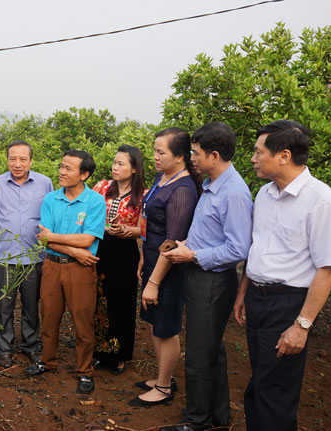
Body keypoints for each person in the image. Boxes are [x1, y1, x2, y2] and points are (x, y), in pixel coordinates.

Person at [233, 120, 331, 431]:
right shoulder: (265, 194)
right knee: (260, 382)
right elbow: (257, 248)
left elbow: (327, 269)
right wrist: (243, 293)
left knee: (276, 392)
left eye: (258, 152)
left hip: (288, 304)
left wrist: (302, 325)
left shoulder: (323, 201)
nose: (253, 159)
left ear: (283, 155)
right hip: (257, 299)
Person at [160, 123, 252, 431]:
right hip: (200, 274)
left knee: (200, 353)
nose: (192, 159)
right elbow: (210, 234)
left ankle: (196, 419)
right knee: (212, 350)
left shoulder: (233, 192)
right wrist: (185, 245)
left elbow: (238, 248)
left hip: (211, 281)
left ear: (214, 155)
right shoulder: (213, 184)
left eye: (196, 153)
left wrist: (193, 255)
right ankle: (218, 417)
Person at [25, 149, 106, 395]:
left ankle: (84, 371)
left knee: (82, 321)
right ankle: (47, 361)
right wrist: (74, 250)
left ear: (84, 174)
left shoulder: (95, 201)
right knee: (49, 315)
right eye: (61, 166)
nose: (61, 171)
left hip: (81, 270)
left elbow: (87, 239)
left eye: (68, 168)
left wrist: (56, 239)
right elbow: (43, 239)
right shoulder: (51, 199)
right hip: (52, 266)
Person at [129, 128, 200, 407]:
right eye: (154, 151)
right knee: (154, 322)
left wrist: (154, 282)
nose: (155, 157)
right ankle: (163, 376)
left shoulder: (182, 190)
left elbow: (172, 243)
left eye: (161, 152)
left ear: (180, 156)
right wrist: (144, 257)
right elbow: (151, 225)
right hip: (152, 260)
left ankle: (163, 387)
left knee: (166, 328)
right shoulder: (163, 178)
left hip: (168, 271)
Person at [0, 140, 53, 368]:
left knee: (31, 305)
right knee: (4, 305)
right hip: (6, 256)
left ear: (31, 161)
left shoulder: (44, 183)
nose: (17, 164)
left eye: (23, 159)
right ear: (7, 160)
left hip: (34, 256)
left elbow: (50, 216)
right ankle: (4, 348)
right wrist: (8, 234)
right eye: (12, 159)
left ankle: (31, 346)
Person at [91, 145, 145, 375]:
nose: (115, 167)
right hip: (100, 247)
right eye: (114, 162)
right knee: (99, 300)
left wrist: (126, 230)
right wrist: (105, 227)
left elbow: (143, 229)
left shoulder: (143, 194)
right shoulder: (101, 187)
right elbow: (89, 216)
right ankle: (100, 352)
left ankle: (119, 355)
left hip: (125, 251)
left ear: (134, 169)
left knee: (122, 302)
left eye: (121, 163)